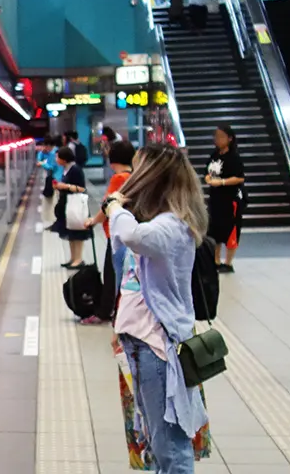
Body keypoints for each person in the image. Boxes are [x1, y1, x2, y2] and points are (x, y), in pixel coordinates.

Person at [107, 143, 209, 473]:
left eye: (139, 172)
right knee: (155, 438)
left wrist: (115, 208)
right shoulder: (160, 222)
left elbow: (131, 237)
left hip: (158, 348)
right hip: (140, 341)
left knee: (170, 446)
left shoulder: (172, 226)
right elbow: (127, 271)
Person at [82, 141, 137, 325]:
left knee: (112, 275)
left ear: (112, 160)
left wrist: (92, 221)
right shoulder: (134, 175)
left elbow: (108, 206)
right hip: (130, 232)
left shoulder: (118, 178)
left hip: (117, 235)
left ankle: (106, 312)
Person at [204, 125, 245, 273]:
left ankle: (228, 262)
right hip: (215, 198)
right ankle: (215, 260)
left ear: (230, 138)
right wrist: (208, 178)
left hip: (230, 199)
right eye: (216, 136)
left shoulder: (234, 157)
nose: (218, 139)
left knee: (230, 228)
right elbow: (207, 171)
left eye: (221, 136)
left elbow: (239, 177)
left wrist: (221, 182)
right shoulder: (214, 155)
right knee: (214, 229)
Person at [50, 144, 93, 269]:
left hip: (75, 206)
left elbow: (82, 188)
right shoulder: (66, 168)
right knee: (71, 233)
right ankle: (73, 258)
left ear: (64, 159)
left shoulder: (76, 169)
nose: (56, 160)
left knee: (77, 233)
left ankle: (78, 260)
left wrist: (66, 187)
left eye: (57, 157)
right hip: (67, 205)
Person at [36, 136, 60, 220]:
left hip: (57, 178)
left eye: (45, 146)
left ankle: (55, 219)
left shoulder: (54, 153)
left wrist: (42, 164)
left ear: (49, 145)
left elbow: (52, 167)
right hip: (53, 178)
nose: (44, 148)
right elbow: (40, 158)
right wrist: (42, 153)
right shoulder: (50, 152)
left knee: (55, 200)